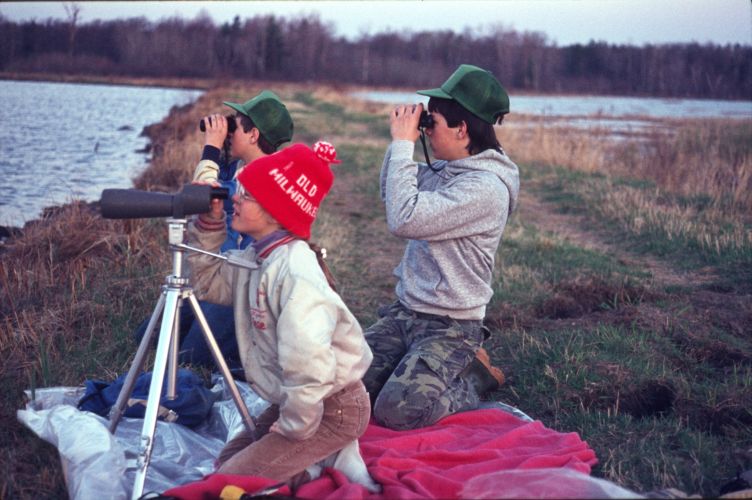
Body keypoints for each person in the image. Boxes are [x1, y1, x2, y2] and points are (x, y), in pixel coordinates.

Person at [186, 141, 374, 489]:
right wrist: (210, 228)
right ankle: (316, 462)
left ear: (277, 210)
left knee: (227, 484)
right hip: (299, 398)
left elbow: (311, 366)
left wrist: (294, 429)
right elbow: (209, 285)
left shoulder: (297, 273)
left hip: (331, 407)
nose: (235, 199)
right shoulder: (258, 258)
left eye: (248, 194)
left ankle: (324, 453)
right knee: (225, 466)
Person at [362, 64, 520, 430]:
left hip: (449, 326)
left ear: (462, 129)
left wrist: (404, 143)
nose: (427, 130)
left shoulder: (485, 189)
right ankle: (409, 373)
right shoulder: (448, 168)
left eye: (432, 123)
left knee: (397, 411)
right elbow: (392, 190)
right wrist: (403, 141)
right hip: (405, 312)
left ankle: (474, 378)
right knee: (343, 390)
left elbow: (403, 219)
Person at [135, 90, 294, 372]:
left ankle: (244, 354)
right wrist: (222, 153)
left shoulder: (267, 180)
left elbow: (206, 197)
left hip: (245, 290)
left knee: (189, 358)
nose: (229, 131)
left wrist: (210, 148)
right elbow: (220, 182)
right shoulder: (241, 169)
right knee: (147, 337)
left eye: (237, 125)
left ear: (254, 135)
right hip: (222, 275)